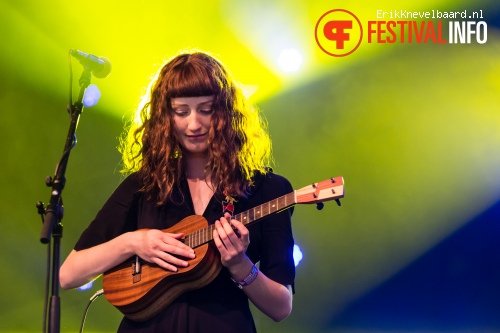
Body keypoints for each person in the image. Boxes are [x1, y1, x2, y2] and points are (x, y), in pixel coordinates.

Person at [60, 50, 296, 333]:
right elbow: (69, 274)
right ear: (165, 116)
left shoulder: (268, 189)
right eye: (181, 112)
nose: (194, 124)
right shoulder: (144, 184)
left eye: (206, 110)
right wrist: (134, 242)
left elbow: (281, 307)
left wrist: (240, 265)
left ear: (225, 113)